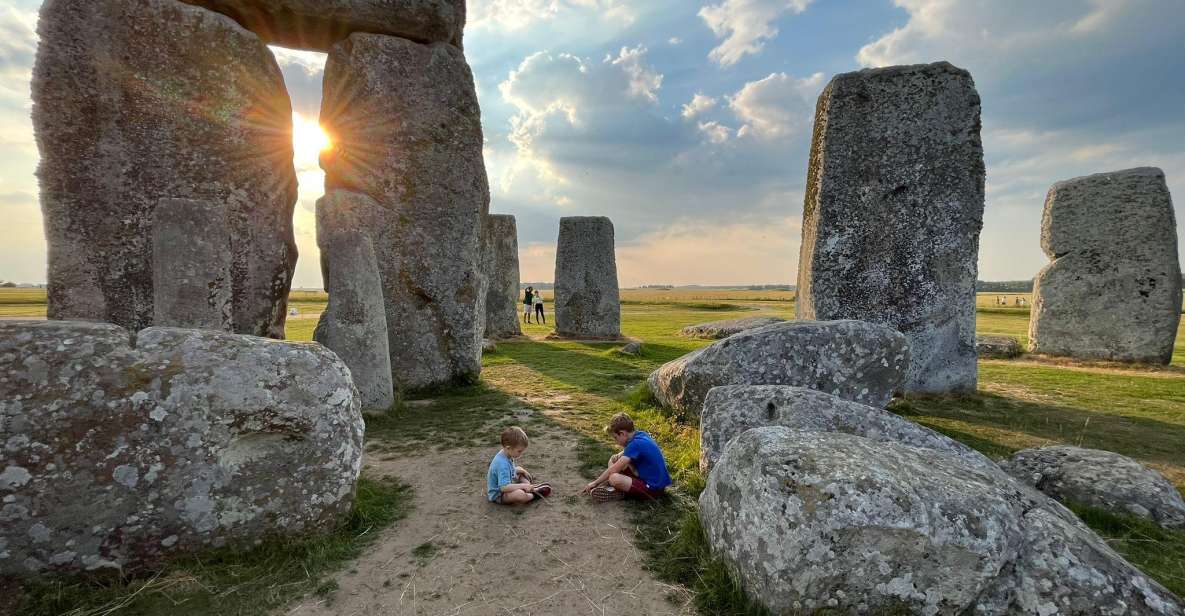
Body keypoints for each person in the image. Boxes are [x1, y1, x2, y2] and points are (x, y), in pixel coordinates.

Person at [583, 412, 671, 502]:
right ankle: (617, 486)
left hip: (654, 490)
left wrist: (595, 483)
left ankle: (619, 489)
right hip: (653, 481)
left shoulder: (634, 444)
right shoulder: (641, 435)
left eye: (615, 438)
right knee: (614, 459)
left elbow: (613, 470)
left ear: (622, 433)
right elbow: (620, 457)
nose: (616, 441)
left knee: (614, 478)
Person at [487, 426, 551, 505]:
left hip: (508, 482)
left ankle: (531, 487)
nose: (521, 454)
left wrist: (521, 471)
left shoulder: (506, 454)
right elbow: (503, 488)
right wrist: (522, 485)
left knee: (520, 471)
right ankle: (533, 494)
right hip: (499, 495)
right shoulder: (502, 464)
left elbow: (510, 469)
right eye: (519, 451)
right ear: (508, 448)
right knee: (519, 494)